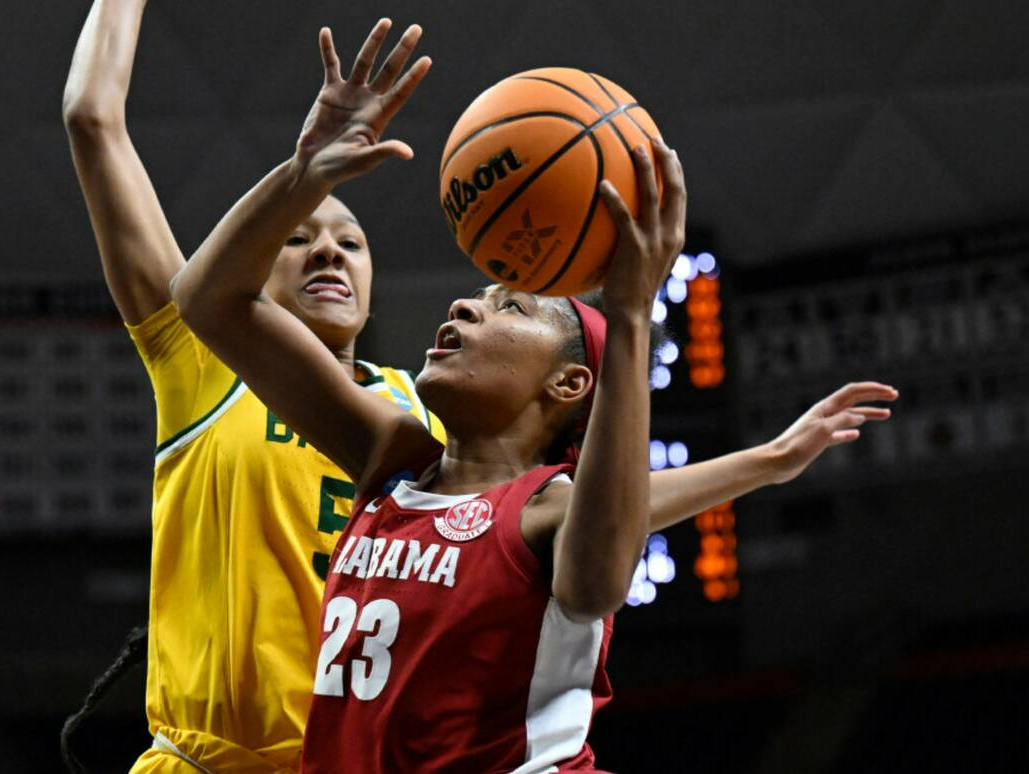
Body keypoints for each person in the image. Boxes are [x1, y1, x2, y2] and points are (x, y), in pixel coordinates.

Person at [171, 18, 898, 771]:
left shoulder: (546, 515)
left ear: (569, 383)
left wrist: (627, 313)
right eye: (476, 299)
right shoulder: (396, 459)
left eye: (507, 307)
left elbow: (606, 551)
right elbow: (205, 299)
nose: (463, 308)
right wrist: (304, 175)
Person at [60, 3, 443, 772]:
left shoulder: (430, 410)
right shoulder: (204, 362)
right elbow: (91, 119)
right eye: (299, 238)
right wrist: (299, 177)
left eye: (351, 244)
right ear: (254, 265)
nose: (329, 254)